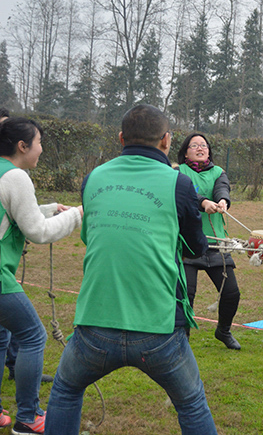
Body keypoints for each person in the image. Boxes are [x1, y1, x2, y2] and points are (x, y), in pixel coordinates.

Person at [45, 105, 217, 435]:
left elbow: (90, 236)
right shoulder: (179, 184)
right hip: (160, 331)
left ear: (121, 139)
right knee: (192, 403)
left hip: (94, 328)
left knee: (65, 391)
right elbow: (196, 249)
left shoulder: (92, 179)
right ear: (167, 141)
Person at [0, 117, 83, 435]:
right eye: (38, 142)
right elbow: (36, 231)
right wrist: (76, 215)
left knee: (1, 338)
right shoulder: (16, 176)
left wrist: (48, 208)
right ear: (22, 146)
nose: (41, 149)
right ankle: (28, 416)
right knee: (33, 336)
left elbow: (16, 213)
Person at [176, 132, 241, 350]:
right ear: (186, 151)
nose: (200, 148)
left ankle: (223, 331)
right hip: (186, 243)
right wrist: (203, 202)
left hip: (216, 243)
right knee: (186, 293)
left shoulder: (218, 171)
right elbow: (184, 194)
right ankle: (181, 338)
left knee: (231, 292)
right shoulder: (176, 171)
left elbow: (222, 188)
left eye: (203, 145)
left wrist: (222, 200)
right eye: (194, 145)